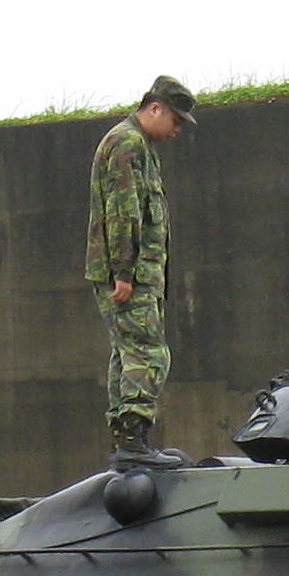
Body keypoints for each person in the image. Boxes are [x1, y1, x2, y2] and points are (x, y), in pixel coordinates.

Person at [84, 74, 195, 464]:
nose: (177, 130)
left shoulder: (137, 145)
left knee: (127, 352)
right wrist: (125, 273)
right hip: (129, 274)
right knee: (150, 354)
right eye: (175, 120)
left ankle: (127, 442)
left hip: (135, 274)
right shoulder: (128, 144)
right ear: (154, 109)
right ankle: (132, 441)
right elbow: (124, 212)